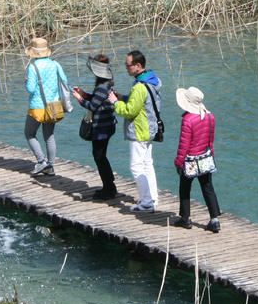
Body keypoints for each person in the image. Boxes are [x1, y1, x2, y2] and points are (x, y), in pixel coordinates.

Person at [109, 50, 163, 212]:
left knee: (136, 166)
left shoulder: (140, 86)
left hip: (139, 131)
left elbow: (130, 111)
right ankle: (153, 197)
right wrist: (124, 98)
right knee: (148, 164)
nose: (126, 68)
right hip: (150, 129)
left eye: (128, 65)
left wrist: (114, 102)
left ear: (138, 66)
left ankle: (146, 202)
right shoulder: (153, 80)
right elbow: (142, 102)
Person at [172, 86, 221, 232]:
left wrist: (179, 162)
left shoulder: (188, 120)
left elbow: (184, 145)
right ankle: (215, 219)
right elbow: (210, 140)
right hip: (205, 158)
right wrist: (211, 153)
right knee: (208, 188)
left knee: (185, 189)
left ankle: (185, 219)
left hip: (191, 161)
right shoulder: (209, 116)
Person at [72, 54, 117, 200]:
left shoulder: (101, 88)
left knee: (99, 156)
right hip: (108, 125)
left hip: (101, 128)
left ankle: (109, 188)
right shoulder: (108, 85)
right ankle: (109, 185)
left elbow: (92, 106)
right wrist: (84, 94)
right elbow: (97, 100)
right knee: (101, 156)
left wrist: (79, 99)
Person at [24, 37, 69, 176]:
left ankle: (40, 161)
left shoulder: (33, 67)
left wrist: (26, 82)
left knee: (30, 134)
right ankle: (51, 166)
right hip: (53, 106)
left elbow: (31, 89)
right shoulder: (55, 64)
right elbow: (65, 80)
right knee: (49, 136)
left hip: (37, 107)